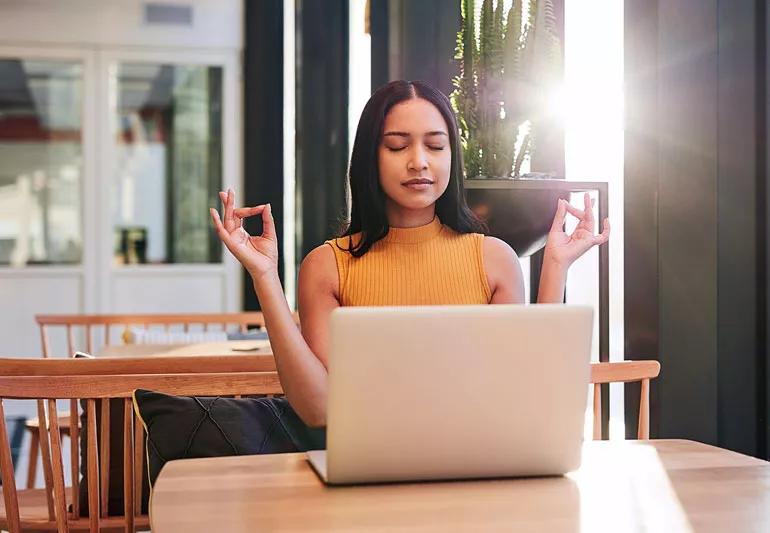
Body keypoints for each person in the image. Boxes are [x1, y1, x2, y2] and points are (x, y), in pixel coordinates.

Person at [210, 80, 609, 430]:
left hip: (479, 469)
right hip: (369, 478)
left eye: (436, 145)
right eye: (398, 146)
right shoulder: (328, 265)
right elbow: (319, 410)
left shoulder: (494, 259)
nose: (419, 161)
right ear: (370, 158)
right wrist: (265, 277)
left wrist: (555, 266)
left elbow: (524, 394)